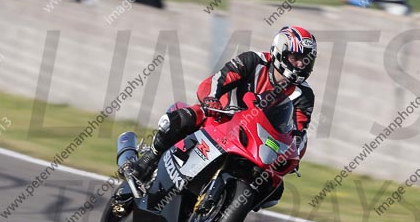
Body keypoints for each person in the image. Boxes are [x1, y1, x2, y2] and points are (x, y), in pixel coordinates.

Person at [119, 26, 317, 206]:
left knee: (274, 189)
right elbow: (219, 79)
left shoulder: (304, 95)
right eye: (295, 58)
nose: (300, 64)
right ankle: (148, 161)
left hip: (258, 140)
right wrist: (212, 100)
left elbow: (298, 131)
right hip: (221, 117)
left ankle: (227, 206)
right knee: (184, 118)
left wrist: (292, 154)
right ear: (280, 52)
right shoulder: (253, 61)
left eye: (306, 60)